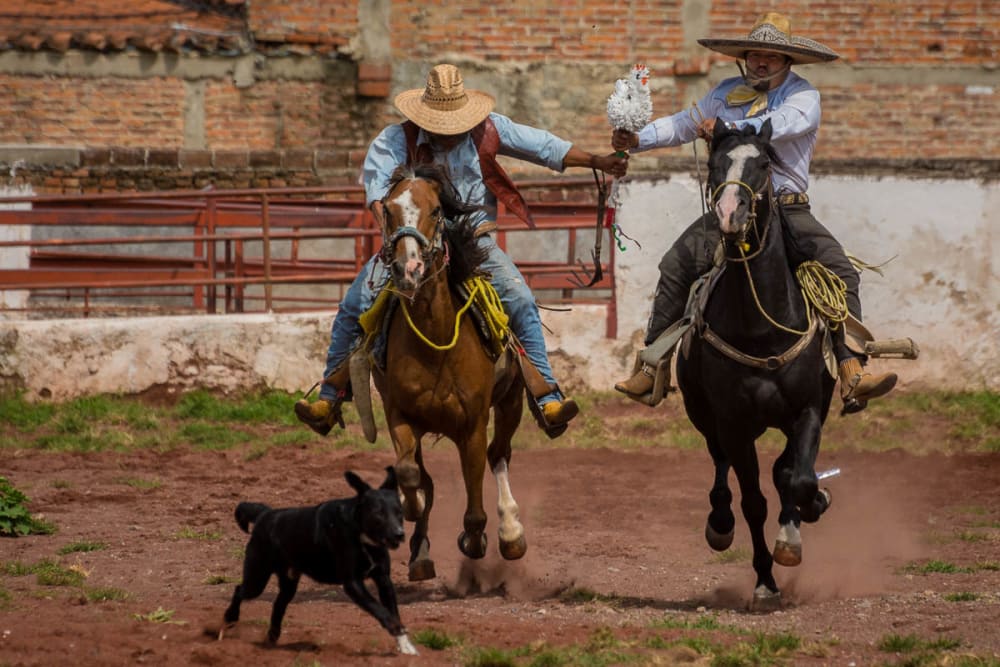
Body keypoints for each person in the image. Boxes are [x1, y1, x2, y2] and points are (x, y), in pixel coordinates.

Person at [296, 63, 628, 437]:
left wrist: (599, 161)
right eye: (441, 124)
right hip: (413, 242)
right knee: (356, 303)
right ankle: (329, 397)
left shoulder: (488, 129)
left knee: (519, 297)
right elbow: (377, 198)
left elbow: (545, 147)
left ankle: (545, 394)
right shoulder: (393, 141)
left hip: (476, 241)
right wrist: (400, 244)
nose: (450, 132)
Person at [613, 12, 897, 413]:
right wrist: (636, 138)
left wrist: (724, 125)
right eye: (755, 55)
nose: (761, 63)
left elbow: (777, 125)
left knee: (840, 270)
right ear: (744, 58)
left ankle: (851, 367)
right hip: (732, 205)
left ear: (788, 61)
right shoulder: (724, 92)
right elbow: (681, 124)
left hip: (786, 209)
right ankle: (652, 365)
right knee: (676, 265)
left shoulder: (803, 97)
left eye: (772, 56)